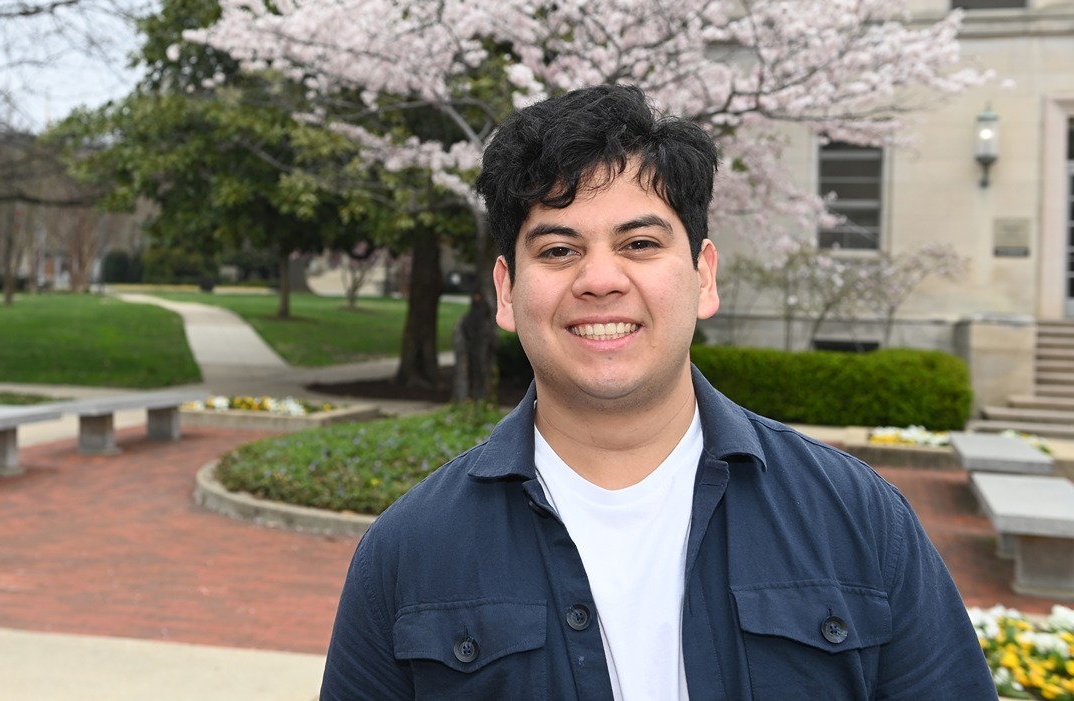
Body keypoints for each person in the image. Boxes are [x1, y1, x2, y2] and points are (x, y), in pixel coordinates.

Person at [319, 84, 996, 700]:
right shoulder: (406, 555)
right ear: (505, 290)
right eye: (558, 251)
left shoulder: (857, 520)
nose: (600, 278)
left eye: (640, 242)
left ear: (704, 276)